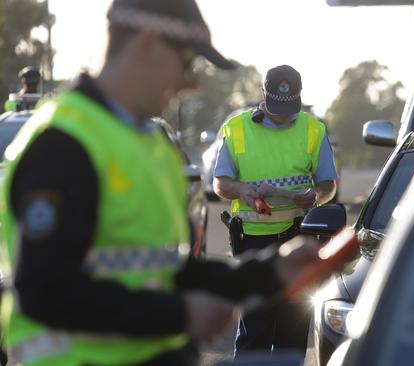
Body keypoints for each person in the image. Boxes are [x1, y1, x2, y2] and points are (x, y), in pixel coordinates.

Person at [0, 1, 325, 365]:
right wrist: (178, 314)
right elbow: (46, 292)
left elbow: (171, 271)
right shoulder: (62, 144)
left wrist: (271, 272)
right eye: (187, 63)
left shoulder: (149, 144)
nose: (192, 82)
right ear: (148, 44)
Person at [213, 65, 338, 359]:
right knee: (254, 330)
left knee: (292, 332)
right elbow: (220, 183)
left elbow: (328, 184)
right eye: (276, 107)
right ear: (262, 95)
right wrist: (243, 191)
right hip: (253, 243)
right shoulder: (236, 128)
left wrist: (316, 196)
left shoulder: (312, 128)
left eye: (288, 108)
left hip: (298, 238)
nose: (282, 115)